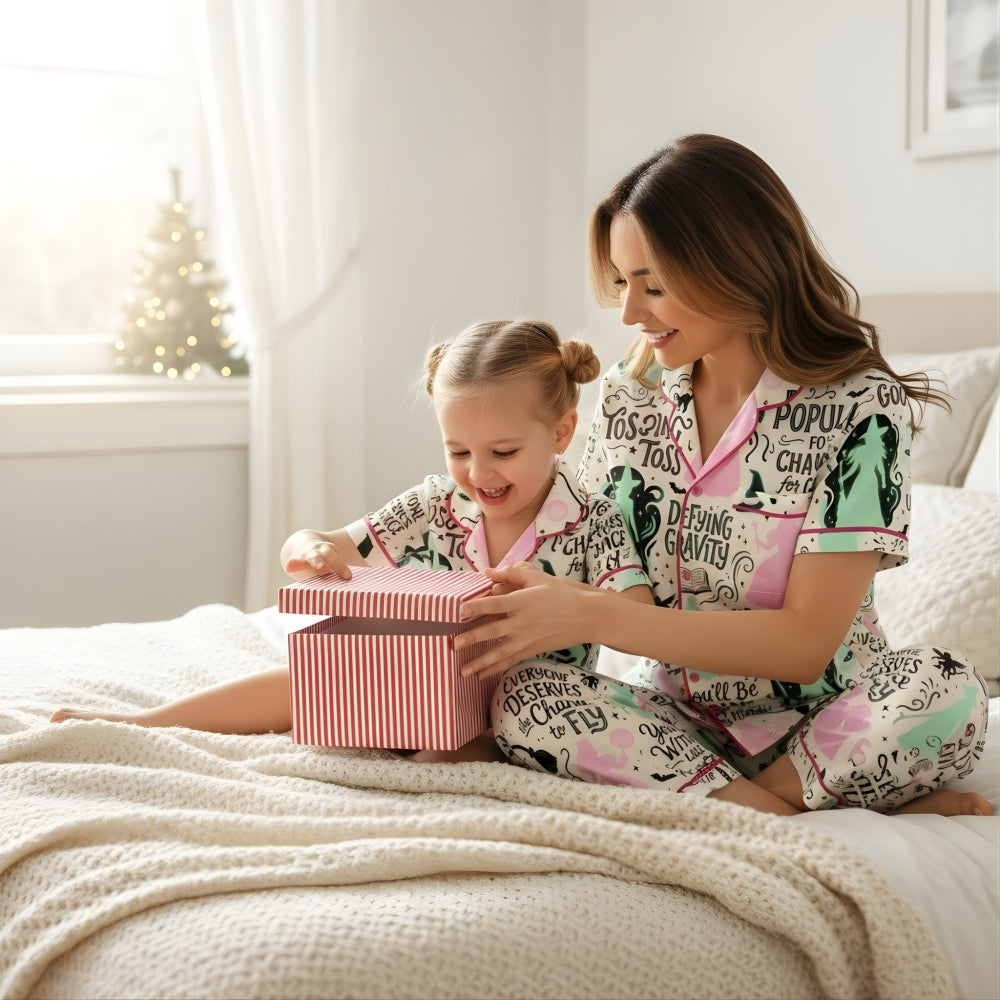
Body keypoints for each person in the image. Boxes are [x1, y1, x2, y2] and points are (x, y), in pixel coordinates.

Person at [453, 135, 992, 817]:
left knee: (948, 689)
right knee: (526, 696)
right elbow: (597, 561)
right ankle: (787, 815)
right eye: (623, 284)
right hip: (675, 727)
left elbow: (803, 645)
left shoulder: (860, 407)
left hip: (830, 723)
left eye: (654, 286)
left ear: (735, 265)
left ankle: (739, 808)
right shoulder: (630, 394)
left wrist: (594, 614)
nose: (628, 313)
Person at [51, 319, 654, 750]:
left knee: (500, 705)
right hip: (418, 671)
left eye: (502, 451)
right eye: (458, 451)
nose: (479, 473)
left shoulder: (592, 520)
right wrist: (307, 550)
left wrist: (563, 607)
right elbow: (328, 542)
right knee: (311, 674)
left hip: (532, 696)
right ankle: (146, 723)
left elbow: (637, 617)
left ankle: (454, 753)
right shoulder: (434, 503)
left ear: (561, 432)